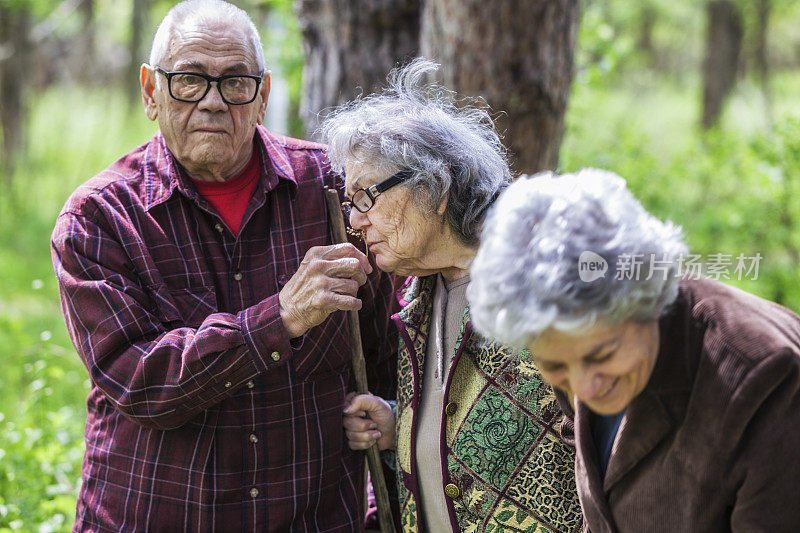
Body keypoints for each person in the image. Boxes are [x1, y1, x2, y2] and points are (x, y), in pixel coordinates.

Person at [50, 1, 398, 530]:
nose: (213, 103)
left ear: (262, 96)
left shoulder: (336, 191)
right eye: (189, 80)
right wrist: (279, 317)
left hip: (314, 516)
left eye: (236, 82)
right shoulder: (98, 219)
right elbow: (143, 382)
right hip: (157, 515)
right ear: (151, 92)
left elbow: (389, 352)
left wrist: (389, 422)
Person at [322, 59, 583, 533]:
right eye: (350, 202)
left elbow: (615, 442)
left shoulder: (545, 282)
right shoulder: (417, 301)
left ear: (436, 187)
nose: (356, 221)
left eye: (367, 196)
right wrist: (401, 426)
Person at [468, 168, 800, 532]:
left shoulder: (766, 378)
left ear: (648, 300)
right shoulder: (569, 340)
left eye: (602, 356)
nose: (584, 388)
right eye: (556, 366)